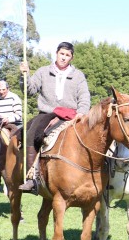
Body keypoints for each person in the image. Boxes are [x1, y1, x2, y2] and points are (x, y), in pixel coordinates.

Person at [18, 42, 91, 192]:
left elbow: (84, 96)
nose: (64, 57)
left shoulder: (78, 76)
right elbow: (30, 90)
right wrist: (24, 75)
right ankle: (32, 178)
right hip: (47, 112)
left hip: (71, 115)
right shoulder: (43, 71)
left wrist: (82, 112)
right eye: (61, 54)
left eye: (67, 55)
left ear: (71, 57)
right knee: (32, 134)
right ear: (56, 54)